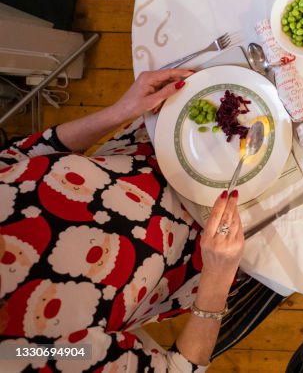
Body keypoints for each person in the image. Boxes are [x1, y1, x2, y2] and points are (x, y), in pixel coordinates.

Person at [0, 70, 282, 369]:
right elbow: (179, 368)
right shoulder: (27, 354)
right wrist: (219, 273)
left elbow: (19, 155)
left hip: (161, 144)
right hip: (221, 235)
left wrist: (119, 112)